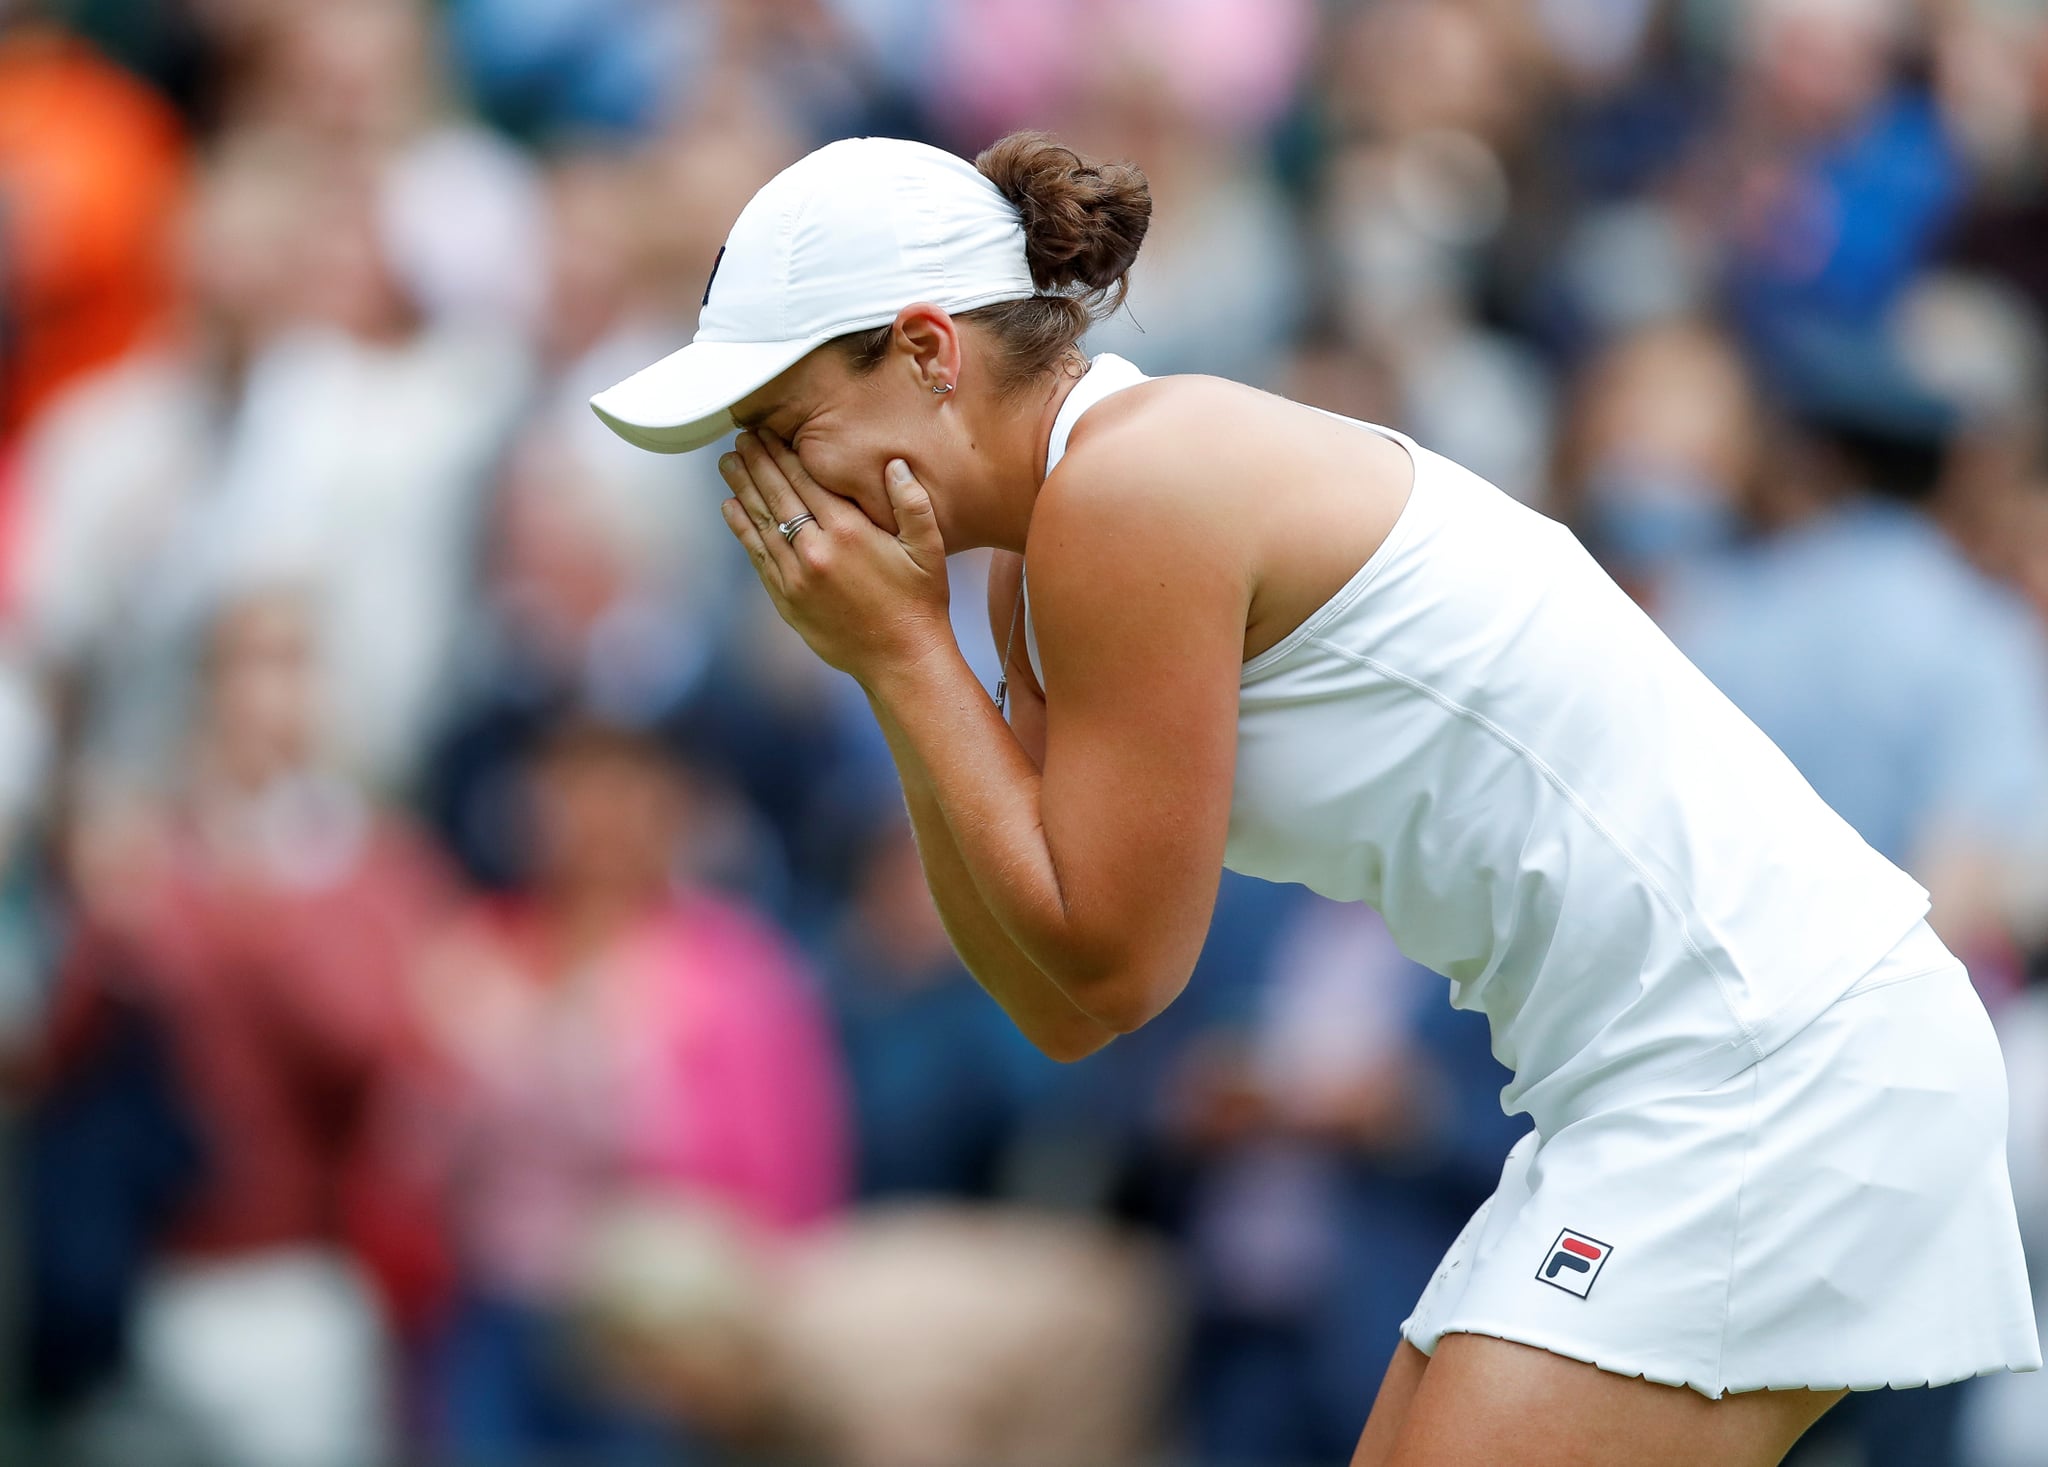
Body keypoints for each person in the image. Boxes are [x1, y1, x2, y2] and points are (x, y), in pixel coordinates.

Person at [587, 131, 2039, 1467]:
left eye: (781, 422)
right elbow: (1060, 1004)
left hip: (1776, 1067)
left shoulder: (1132, 492)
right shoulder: (1053, 546)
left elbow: (1112, 961)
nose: (765, 483)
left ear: (925, 350)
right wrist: (900, 661)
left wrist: (900, 658)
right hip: (1671, 1082)